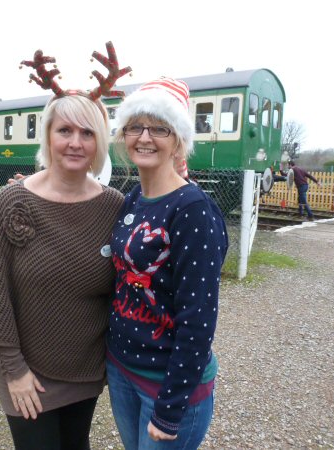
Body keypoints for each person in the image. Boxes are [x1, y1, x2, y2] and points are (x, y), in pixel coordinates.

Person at [0, 90, 124, 450]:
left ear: (99, 141)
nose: (75, 143)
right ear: (48, 136)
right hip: (26, 371)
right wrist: (15, 370)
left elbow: (127, 287)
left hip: (84, 367)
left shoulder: (113, 207)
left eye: (87, 133)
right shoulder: (12, 202)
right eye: (65, 130)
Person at [106, 77, 228, 449]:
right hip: (122, 370)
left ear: (178, 140)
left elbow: (198, 318)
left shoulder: (192, 209)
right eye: (135, 127)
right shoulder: (133, 198)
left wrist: (170, 407)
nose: (145, 137)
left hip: (166, 386)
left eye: (159, 128)